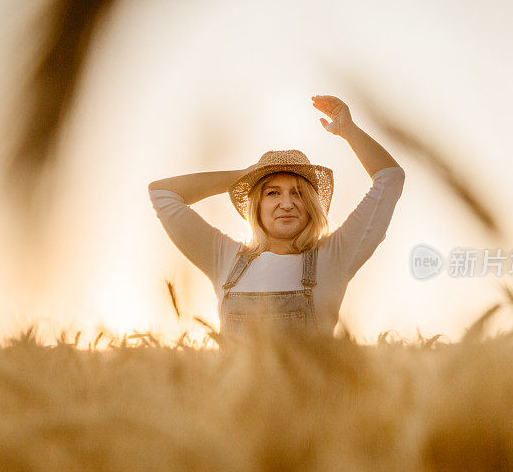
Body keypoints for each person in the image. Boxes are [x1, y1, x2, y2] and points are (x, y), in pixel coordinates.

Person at [148, 95, 405, 346]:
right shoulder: (224, 257)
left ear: (311, 206)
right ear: (256, 205)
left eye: (298, 193)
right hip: (235, 391)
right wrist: (242, 176)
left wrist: (349, 131)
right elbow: (162, 193)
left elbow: (391, 178)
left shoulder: (335, 255)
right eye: (272, 193)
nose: (286, 203)